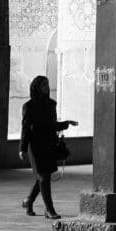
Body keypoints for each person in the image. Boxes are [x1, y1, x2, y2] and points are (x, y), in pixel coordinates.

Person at [18, 75, 78, 219]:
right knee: (43, 177)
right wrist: (22, 148)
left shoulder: (52, 104)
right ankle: (49, 210)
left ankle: (29, 201)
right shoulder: (28, 106)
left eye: (47, 84)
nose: (46, 87)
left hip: (49, 144)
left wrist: (66, 123)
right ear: (37, 87)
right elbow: (26, 128)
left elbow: (52, 125)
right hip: (35, 146)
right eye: (43, 85)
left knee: (43, 177)